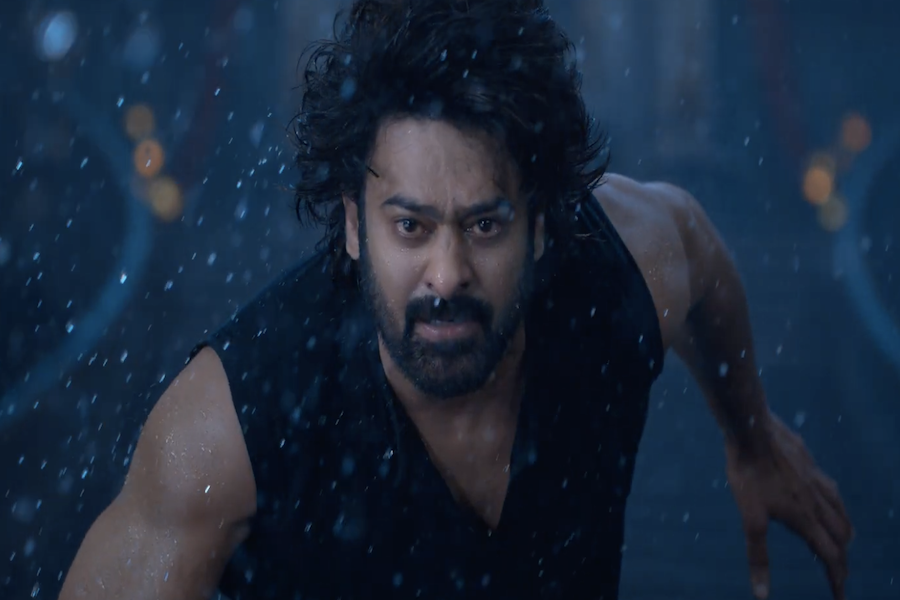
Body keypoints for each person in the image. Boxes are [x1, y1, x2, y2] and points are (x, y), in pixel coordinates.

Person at [59, 1, 853, 599]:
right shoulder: (229, 428)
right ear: (353, 225)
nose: (446, 276)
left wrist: (751, 438)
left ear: (540, 226)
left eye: (484, 225)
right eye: (410, 226)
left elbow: (697, 246)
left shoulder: (617, 274)